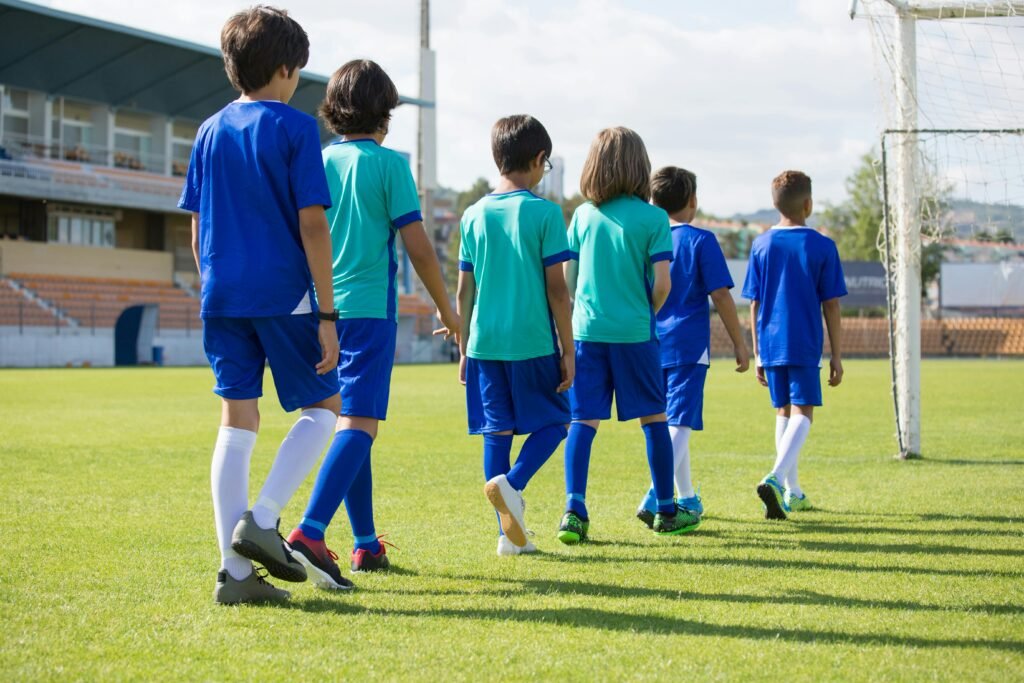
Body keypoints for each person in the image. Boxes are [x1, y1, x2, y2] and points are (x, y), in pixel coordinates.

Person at [179, 6, 341, 605]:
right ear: (285, 68)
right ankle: (266, 519)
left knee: (235, 423)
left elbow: (196, 229)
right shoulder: (296, 129)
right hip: (283, 294)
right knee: (327, 407)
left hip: (220, 295)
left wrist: (217, 285)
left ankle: (234, 574)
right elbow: (312, 226)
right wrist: (327, 314)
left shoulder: (208, 129)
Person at [287, 60, 459, 588]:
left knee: (348, 421)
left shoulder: (316, 159)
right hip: (364, 311)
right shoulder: (388, 166)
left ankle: (365, 545)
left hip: (314, 311)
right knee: (362, 425)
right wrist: (448, 311)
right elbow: (420, 251)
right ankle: (309, 533)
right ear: (385, 113)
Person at [560, 127, 696, 543]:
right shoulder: (654, 218)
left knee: (583, 422)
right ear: (641, 166)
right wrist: (644, 313)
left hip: (587, 333)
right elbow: (662, 285)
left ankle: (574, 509)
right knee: (654, 419)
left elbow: (569, 279)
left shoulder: (583, 215)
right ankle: (667, 510)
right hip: (636, 333)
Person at [457, 115, 574, 556]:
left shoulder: (473, 215)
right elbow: (557, 290)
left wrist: (463, 346)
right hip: (532, 341)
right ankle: (513, 485)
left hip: (485, 343)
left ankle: (509, 537)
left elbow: (465, 289)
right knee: (557, 421)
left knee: (497, 432)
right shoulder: (545, 213)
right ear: (540, 159)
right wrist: (568, 347)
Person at [636, 167, 750, 529]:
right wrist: (740, 342)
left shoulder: (645, 240)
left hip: (649, 343)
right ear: (693, 201)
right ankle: (655, 494)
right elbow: (721, 295)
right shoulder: (702, 241)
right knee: (681, 423)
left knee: (669, 423)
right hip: (687, 345)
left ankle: (685, 498)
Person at [742, 170, 846, 520]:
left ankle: (793, 491)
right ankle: (774, 477)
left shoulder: (761, 244)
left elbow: (753, 303)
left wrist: (757, 352)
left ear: (775, 204)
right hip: (802, 341)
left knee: (782, 411)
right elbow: (831, 304)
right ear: (809, 203)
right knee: (804, 412)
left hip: (770, 343)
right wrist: (837, 354)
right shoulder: (822, 245)